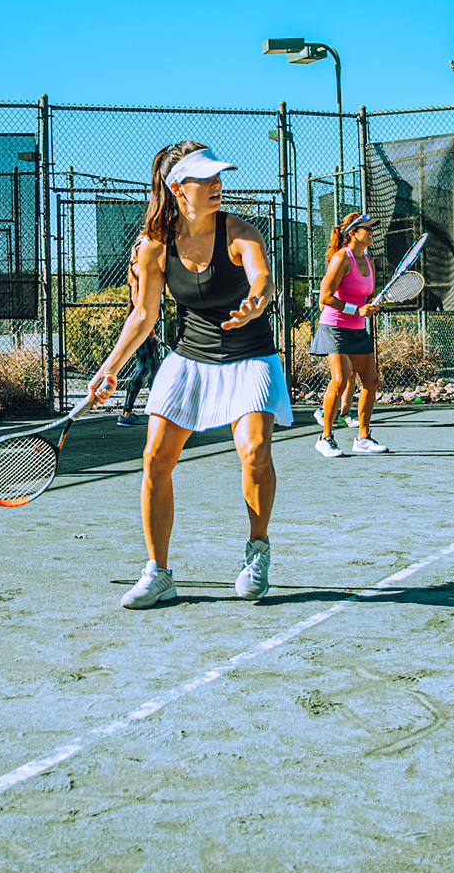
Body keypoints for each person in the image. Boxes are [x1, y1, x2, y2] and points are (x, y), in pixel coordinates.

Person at [89, 142, 290, 609]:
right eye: (205, 179)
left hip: (250, 356)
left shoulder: (240, 231)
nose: (218, 184)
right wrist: (109, 369)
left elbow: (263, 278)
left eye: (220, 176)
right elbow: (143, 316)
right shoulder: (155, 247)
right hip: (190, 359)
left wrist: (255, 302)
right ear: (178, 188)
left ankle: (257, 550)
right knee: (155, 457)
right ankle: (159, 572)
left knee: (256, 451)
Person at [310, 212, 387, 457]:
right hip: (334, 327)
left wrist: (373, 304)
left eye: (372, 228)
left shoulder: (370, 262)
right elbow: (325, 297)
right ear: (353, 233)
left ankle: (363, 438)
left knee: (371, 381)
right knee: (341, 379)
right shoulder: (342, 259)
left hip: (357, 329)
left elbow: (364, 296)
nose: (371, 232)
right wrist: (356, 309)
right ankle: (325, 437)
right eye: (366, 228)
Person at [114, 286, 163, 427]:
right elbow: (139, 299)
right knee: (143, 367)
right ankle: (126, 414)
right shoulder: (140, 271)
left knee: (155, 368)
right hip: (142, 324)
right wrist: (148, 323)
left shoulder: (139, 271)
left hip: (142, 322)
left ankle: (158, 409)